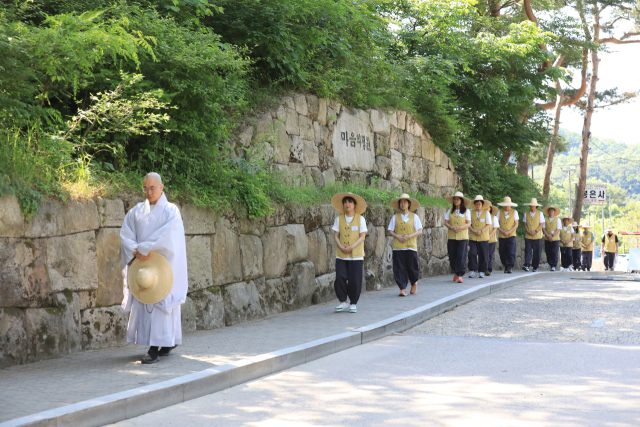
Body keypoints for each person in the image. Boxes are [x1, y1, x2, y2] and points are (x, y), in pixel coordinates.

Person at [120, 172, 188, 364]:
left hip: (162, 266)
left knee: (162, 304)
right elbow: (126, 232)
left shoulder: (171, 211)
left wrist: (145, 247)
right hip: (143, 266)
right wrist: (134, 249)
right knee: (145, 299)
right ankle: (166, 343)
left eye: (152, 188)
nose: (148, 192)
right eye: (145, 188)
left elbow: (168, 235)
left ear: (161, 187)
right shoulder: (137, 211)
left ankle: (155, 348)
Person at [331, 192, 367, 313]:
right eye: (345, 202)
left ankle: (353, 302)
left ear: (355, 204)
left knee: (355, 280)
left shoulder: (360, 219)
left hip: (356, 255)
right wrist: (340, 245)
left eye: (350, 202)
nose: (348, 204)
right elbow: (336, 235)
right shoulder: (339, 219)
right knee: (340, 277)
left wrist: (352, 247)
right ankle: (343, 301)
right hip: (341, 254)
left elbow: (362, 237)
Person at [388, 194, 423, 296]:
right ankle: (402, 288)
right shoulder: (395, 217)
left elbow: (419, 231)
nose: (403, 204)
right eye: (401, 202)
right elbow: (390, 230)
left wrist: (409, 236)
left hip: (410, 246)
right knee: (399, 267)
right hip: (398, 246)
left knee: (412, 267)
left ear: (409, 204)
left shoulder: (414, 216)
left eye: (405, 202)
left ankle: (414, 282)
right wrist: (397, 236)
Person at [444, 191, 471, 283]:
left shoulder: (466, 211)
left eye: (458, 199)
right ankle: (456, 271)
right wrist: (451, 227)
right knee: (452, 256)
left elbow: (468, 223)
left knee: (461, 255)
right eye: (454, 199)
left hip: (462, 237)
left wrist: (460, 228)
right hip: (452, 236)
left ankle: (460, 274)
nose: (456, 201)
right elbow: (446, 222)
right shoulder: (450, 211)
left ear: (461, 201)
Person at [467, 195, 492, 278]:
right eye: (476, 204)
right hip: (473, 236)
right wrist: (473, 230)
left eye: (479, 204)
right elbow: (469, 223)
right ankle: (472, 270)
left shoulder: (486, 213)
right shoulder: (471, 212)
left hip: (483, 236)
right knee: (472, 253)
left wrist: (481, 231)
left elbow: (488, 224)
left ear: (482, 205)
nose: (478, 206)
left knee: (483, 254)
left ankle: (482, 270)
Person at [496, 197, 519, 274]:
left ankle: (509, 267)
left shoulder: (514, 212)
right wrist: (502, 231)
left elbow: (516, 224)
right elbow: (496, 223)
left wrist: (509, 231)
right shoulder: (500, 212)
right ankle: (505, 264)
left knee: (511, 251)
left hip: (511, 234)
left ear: (510, 205)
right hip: (502, 235)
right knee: (502, 251)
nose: (507, 206)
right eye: (505, 205)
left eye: (508, 205)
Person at [522, 198, 544, 272]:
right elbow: (525, 223)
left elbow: (541, 224)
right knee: (528, 250)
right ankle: (527, 264)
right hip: (528, 236)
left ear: (536, 206)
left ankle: (535, 266)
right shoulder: (526, 213)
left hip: (537, 236)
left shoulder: (540, 213)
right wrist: (527, 231)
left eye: (533, 205)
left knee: (537, 252)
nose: (532, 206)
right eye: (531, 205)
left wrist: (536, 231)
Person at [542, 205, 561, 271]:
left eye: (552, 210)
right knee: (548, 251)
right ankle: (550, 263)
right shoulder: (545, 219)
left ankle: (554, 265)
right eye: (550, 210)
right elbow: (543, 228)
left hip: (555, 239)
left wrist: (552, 236)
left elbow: (558, 229)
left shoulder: (557, 219)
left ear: (554, 211)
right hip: (547, 238)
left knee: (554, 252)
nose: (551, 212)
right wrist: (547, 235)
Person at [486, 205, 500, 276]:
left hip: (491, 239)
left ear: (490, 209)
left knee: (490, 255)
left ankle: (489, 269)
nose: (486, 208)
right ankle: (484, 268)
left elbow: (495, 228)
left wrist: (489, 236)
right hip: (482, 239)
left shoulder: (494, 218)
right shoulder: (481, 217)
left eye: (488, 207)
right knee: (483, 254)